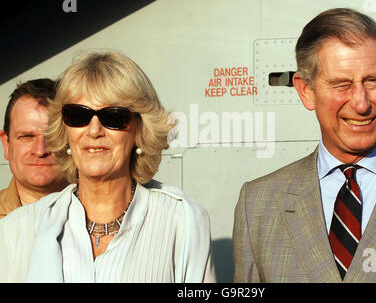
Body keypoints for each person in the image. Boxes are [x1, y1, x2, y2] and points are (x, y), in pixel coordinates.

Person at [233, 8, 376, 283]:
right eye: (341, 84)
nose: (361, 103)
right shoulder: (258, 204)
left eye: (373, 81)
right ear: (306, 91)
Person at [0, 51, 216, 283]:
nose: (94, 131)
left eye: (113, 116)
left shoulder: (182, 220)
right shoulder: (16, 230)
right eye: (78, 115)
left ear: (140, 129)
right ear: (64, 130)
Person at [0, 79, 68, 218]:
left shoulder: (110, 218)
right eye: (26, 137)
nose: (40, 151)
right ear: (6, 144)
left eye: (51, 137)